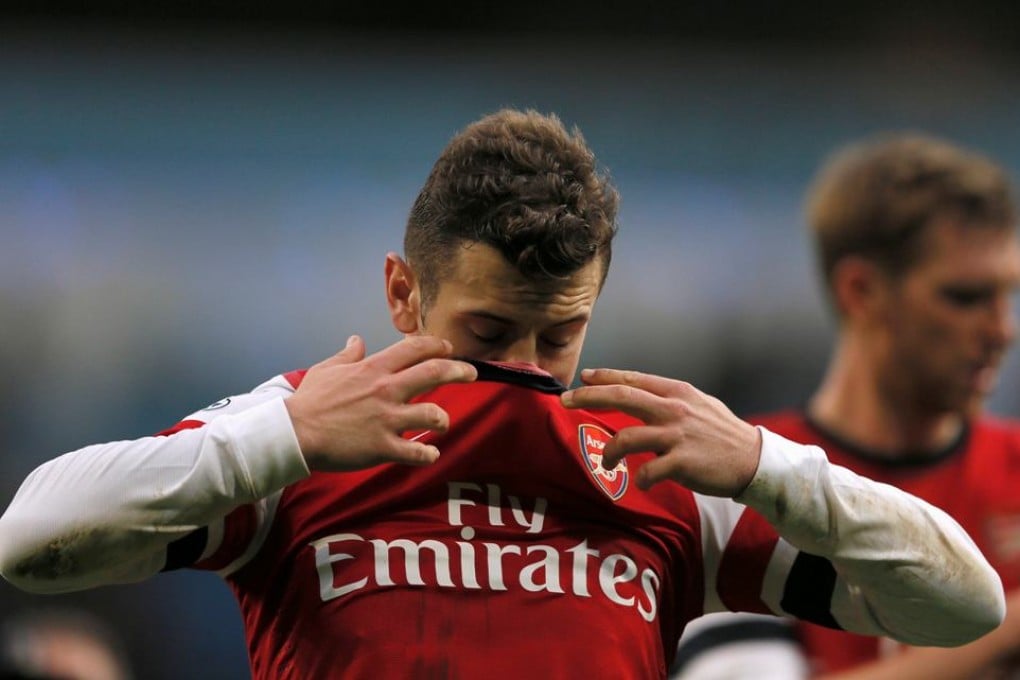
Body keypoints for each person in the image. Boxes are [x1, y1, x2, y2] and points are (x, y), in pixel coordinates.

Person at [0, 110, 1007, 679]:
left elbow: (962, 606)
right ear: (404, 293)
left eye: (559, 335)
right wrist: (286, 435)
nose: (524, 366)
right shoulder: (310, 430)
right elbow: (29, 538)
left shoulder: (652, 460)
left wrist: (765, 462)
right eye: (487, 334)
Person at [672, 134, 1020, 679]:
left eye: (1008, 295)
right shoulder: (738, 480)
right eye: (965, 297)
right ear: (861, 291)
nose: (1003, 331)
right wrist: (1003, 632)